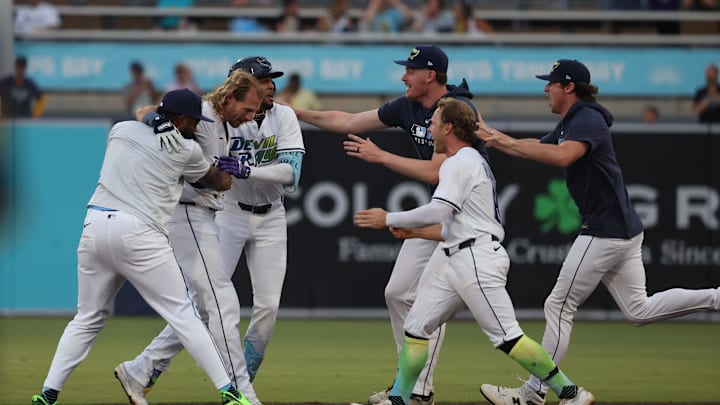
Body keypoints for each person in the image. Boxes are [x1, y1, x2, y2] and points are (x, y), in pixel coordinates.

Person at [477, 59, 720, 405]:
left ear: (569, 87)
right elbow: (539, 146)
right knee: (639, 310)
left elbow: (562, 157)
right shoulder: (572, 121)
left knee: (558, 306)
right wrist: (495, 138)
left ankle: (532, 393)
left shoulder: (586, 118)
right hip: (623, 229)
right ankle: (716, 297)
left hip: (604, 231)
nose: (546, 87)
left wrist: (498, 139)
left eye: (552, 83)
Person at [354, 97, 595, 405]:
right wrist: (412, 230)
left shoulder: (461, 161)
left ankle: (571, 393)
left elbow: (438, 210)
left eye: (435, 122)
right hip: (456, 257)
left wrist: (387, 217)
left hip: (476, 260)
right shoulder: (465, 161)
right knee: (416, 326)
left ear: (449, 128)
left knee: (508, 338)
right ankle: (400, 399)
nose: (430, 126)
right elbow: (452, 222)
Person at [30, 88, 250, 405]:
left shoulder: (119, 130)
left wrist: (151, 118)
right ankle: (229, 393)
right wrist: (227, 173)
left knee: (87, 318)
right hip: (139, 232)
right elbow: (214, 182)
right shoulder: (187, 149)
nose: (196, 127)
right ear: (183, 119)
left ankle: (48, 394)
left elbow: (140, 116)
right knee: (183, 314)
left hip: (94, 227)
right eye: (193, 121)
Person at [292, 44, 481, 405]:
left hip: (466, 219)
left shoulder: (458, 110)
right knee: (397, 293)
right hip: (439, 210)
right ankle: (408, 385)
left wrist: (380, 156)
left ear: (430, 75)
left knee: (432, 303)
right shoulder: (406, 105)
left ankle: (414, 391)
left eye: (410, 70)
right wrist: (294, 112)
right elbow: (347, 122)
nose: (403, 76)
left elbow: (437, 170)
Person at [113, 70, 265, 405]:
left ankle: (140, 370)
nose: (251, 117)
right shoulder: (205, 113)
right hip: (187, 214)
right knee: (222, 303)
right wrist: (158, 121)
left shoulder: (225, 121)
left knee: (200, 308)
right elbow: (143, 112)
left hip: (204, 215)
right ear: (231, 98)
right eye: (248, 109)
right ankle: (242, 392)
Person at [215, 56, 306, 382]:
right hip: (229, 213)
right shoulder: (220, 117)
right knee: (207, 298)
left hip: (270, 216)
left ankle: (243, 380)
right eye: (262, 80)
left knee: (267, 307)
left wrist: (248, 170)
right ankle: (149, 366)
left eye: (271, 79)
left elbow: (291, 174)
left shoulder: (284, 115)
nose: (270, 86)